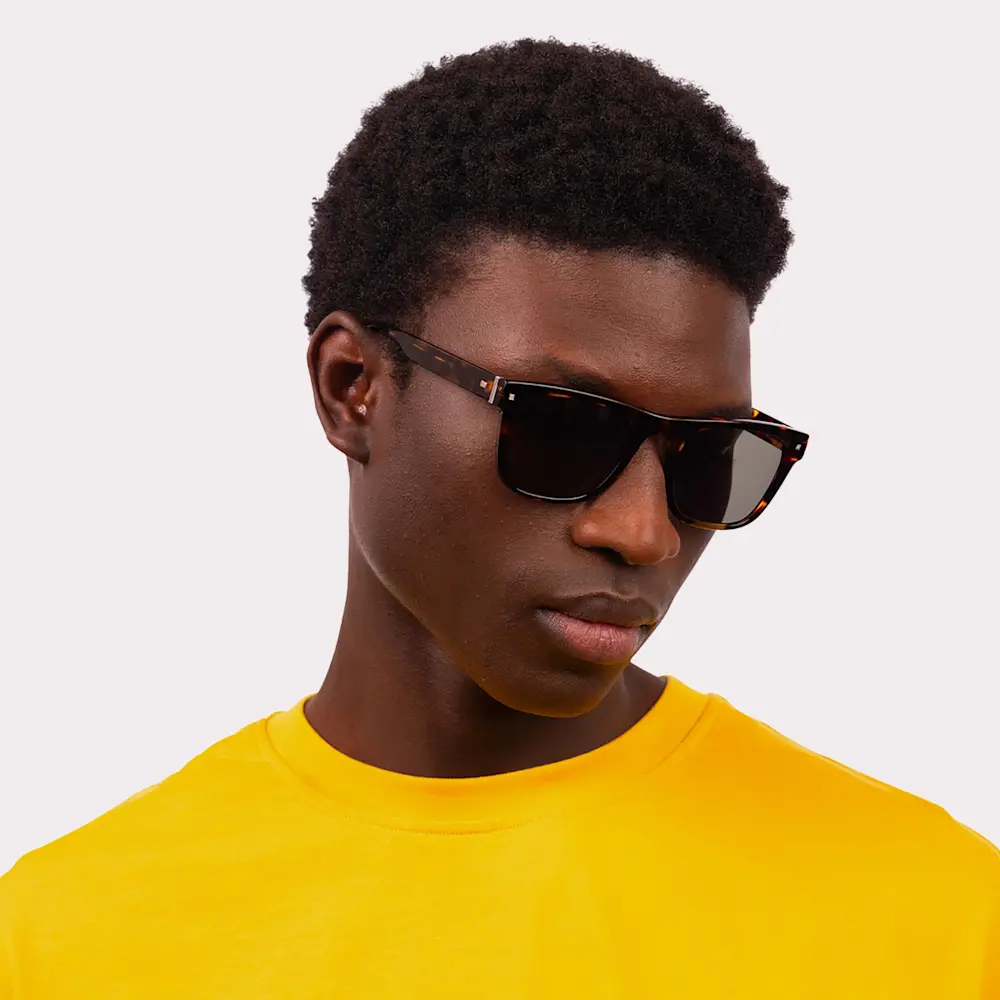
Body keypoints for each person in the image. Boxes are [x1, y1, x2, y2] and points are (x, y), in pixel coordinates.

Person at [1, 37, 996, 999]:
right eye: (562, 427)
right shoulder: (60, 944)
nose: (644, 533)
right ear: (352, 387)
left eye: (707, 455)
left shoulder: (940, 919)